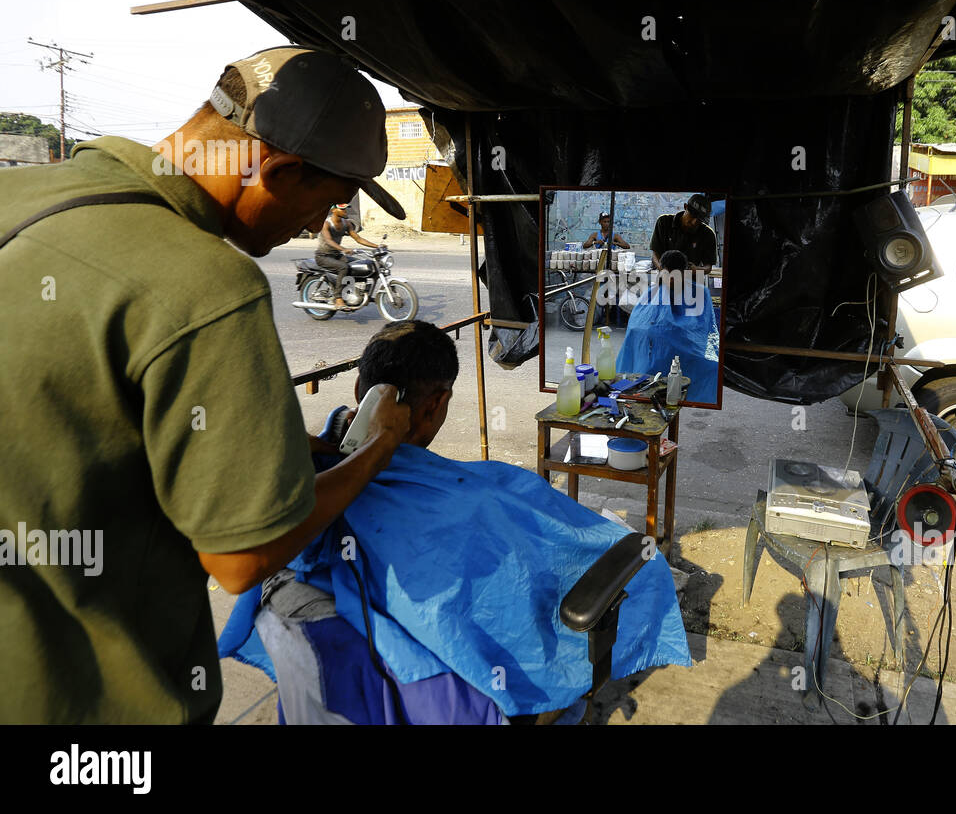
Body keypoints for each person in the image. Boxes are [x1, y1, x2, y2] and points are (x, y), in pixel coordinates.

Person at [0, 46, 413, 723]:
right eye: (326, 205)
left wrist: (274, 444)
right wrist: (379, 449)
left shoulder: (21, 194)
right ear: (277, 171)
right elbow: (241, 559)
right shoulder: (207, 286)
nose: (317, 227)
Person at [220, 320, 690, 723]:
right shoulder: (472, 494)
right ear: (435, 405)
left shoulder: (316, 471)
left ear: (361, 393)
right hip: (472, 666)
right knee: (628, 565)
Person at [615, 250, 720, 403]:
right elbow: (636, 325)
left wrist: (677, 331)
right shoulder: (652, 292)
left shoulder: (701, 293)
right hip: (657, 348)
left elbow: (707, 328)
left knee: (711, 366)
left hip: (689, 346)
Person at [315, 202, 382, 308]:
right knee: (343, 267)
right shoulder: (326, 223)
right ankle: (338, 298)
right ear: (334, 210)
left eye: (346, 209)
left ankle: (356, 292)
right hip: (323, 256)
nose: (345, 212)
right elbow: (328, 240)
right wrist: (344, 249)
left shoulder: (346, 223)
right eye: (343, 209)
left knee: (359, 265)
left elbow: (358, 239)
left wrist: (377, 246)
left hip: (336, 255)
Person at [650, 192, 717, 275]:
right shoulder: (664, 222)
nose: (694, 222)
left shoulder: (708, 234)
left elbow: (708, 267)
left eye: (699, 220)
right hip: (665, 278)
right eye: (692, 216)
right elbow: (655, 254)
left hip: (692, 280)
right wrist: (662, 268)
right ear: (685, 207)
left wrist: (696, 270)